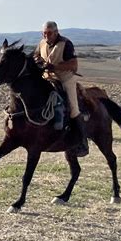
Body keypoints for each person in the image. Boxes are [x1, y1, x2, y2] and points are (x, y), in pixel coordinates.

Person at [33, 21, 89, 157]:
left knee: (73, 109)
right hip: (47, 78)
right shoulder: (41, 43)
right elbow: (36, 55)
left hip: (65, 79)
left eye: (49, 33)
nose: (46, 36)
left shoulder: (66, 43)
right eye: (44, 33)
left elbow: (73, 64)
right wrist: (38, 61)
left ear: (56, 32)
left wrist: (56, 67)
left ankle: (82, 141)